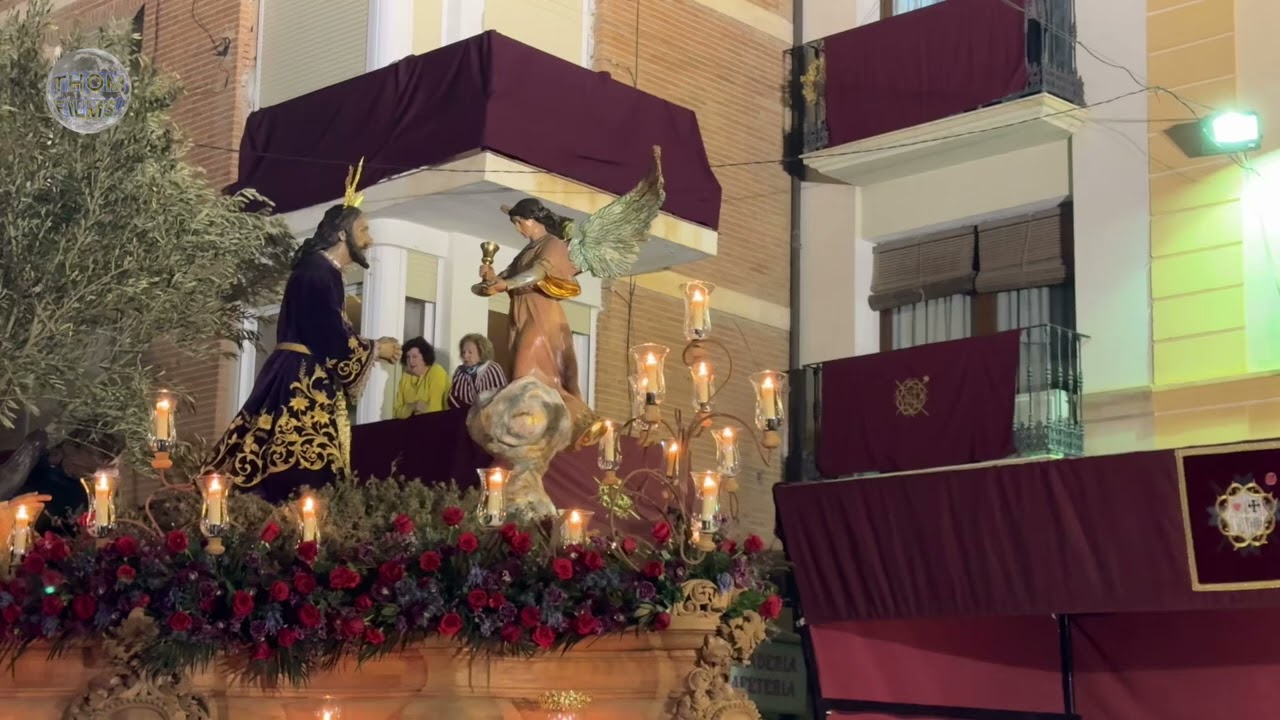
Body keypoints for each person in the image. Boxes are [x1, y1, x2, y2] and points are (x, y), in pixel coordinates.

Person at [202, 161, 402, 501]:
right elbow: (327, 334)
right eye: (364, 231)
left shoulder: (323, 272)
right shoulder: (317, 272)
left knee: (301, 466)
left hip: (303, 374)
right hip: (300, 380)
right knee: (300, 467)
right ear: (343, 234)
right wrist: (374, 349)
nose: (369, 240)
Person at [447, 333, 507, 409]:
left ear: (481, 353)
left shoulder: (493, 368)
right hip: (464, 416)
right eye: (463, 352)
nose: (465, 356)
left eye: (470, 352)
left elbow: (502, 396)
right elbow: (452, 398)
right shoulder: (460, 371)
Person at [393, 336, 449, 418]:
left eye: (414, 357)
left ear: (424, 357)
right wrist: (413, 406)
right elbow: (396, 412)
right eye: (408, 357)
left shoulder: (436, 372)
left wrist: (406, 411)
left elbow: (434, 412)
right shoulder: (405, 377)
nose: (411, 361)